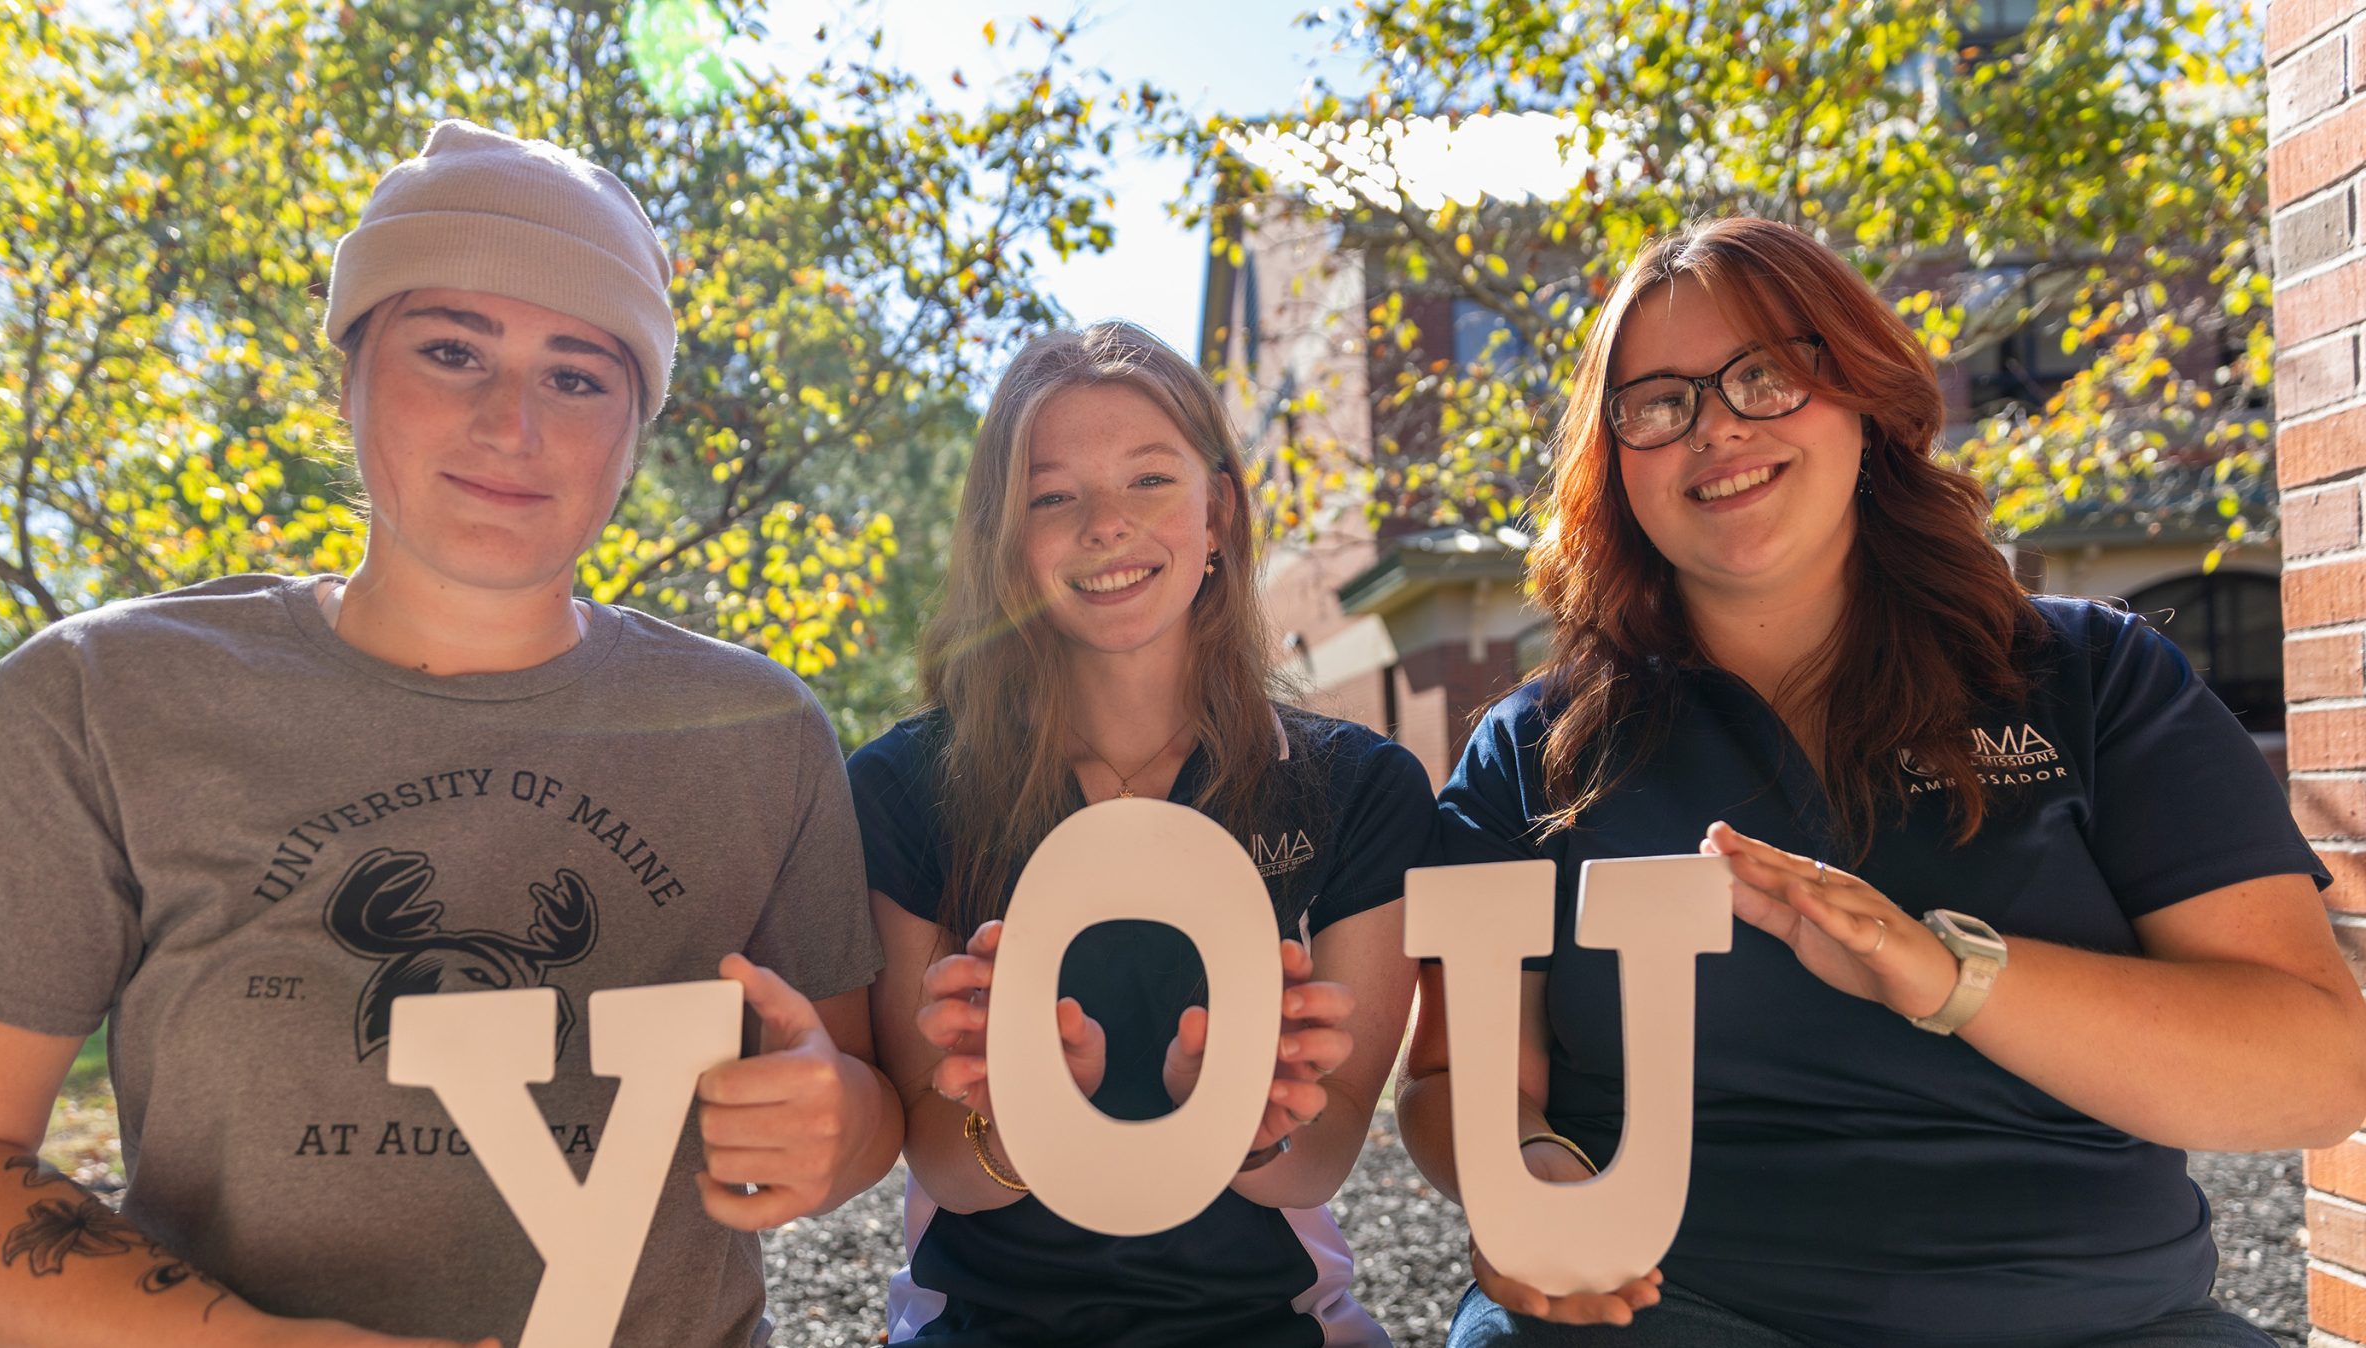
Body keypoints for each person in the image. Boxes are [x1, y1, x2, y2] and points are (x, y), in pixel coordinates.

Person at [0, 120, 902, 1348]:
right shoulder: (100, 698)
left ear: (633, 430)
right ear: (349, 375)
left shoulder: (760, 730)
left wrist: (835, 1127)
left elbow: (857, 1096)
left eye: (579, 374)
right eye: (452, 349)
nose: (513, 422)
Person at [1401, 215, 2366, 1347]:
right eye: (1658, 402)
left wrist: (1944, 973)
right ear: (1612, 465)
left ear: (1861, 394)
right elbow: (1456, 1078)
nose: (1713, 428)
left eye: (1763, 374)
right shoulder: (1536, 750)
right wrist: (1532, 1181)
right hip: (1676, 1311)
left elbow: (2313, 1073)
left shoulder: (2093, 680)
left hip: (2091, 1319)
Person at [846, 322, 1430, 1346]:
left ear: (1219, 512)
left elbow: (1327, 1148)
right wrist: (1019, 1112)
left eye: (1149, 479)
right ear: (1004, 544)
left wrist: (1243, 1121)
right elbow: (941, 1161)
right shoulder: (902, 787)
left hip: (1272, 1319)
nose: (1104, 525)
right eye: (1052, 495)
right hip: (980, 1321)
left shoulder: (1359, 788)